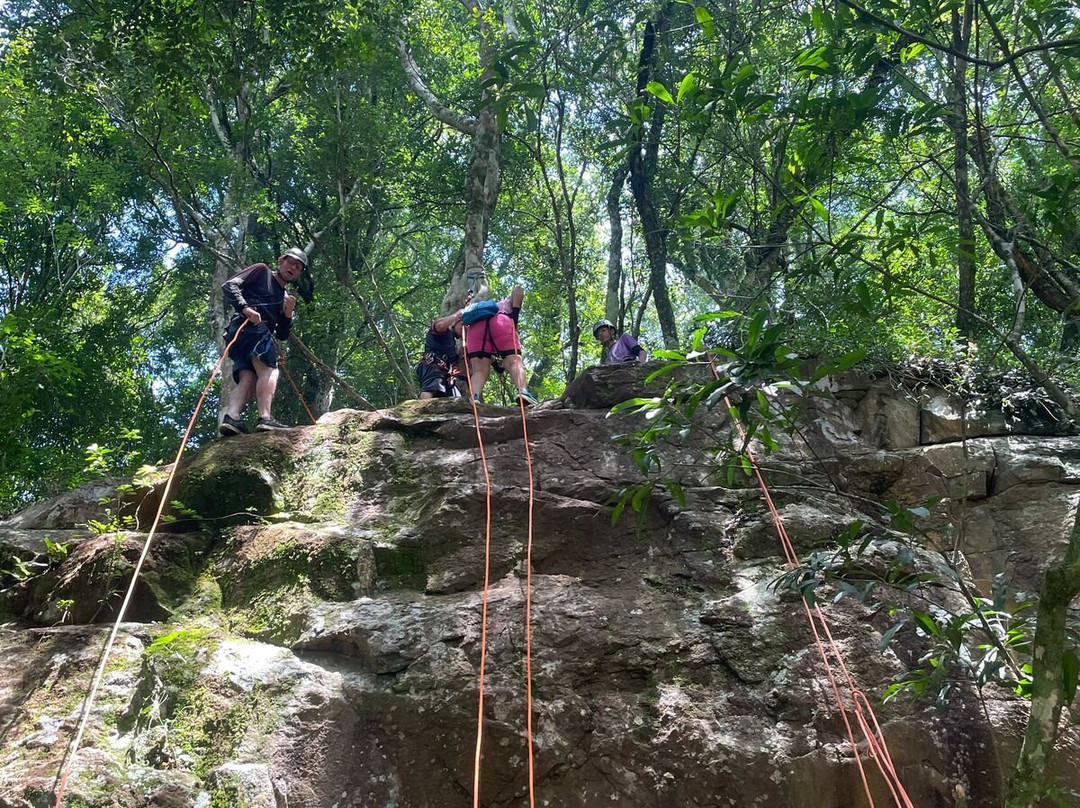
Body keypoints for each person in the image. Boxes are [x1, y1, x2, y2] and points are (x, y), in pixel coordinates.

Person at [219, 247, 307, 435]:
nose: (293, 268)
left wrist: (288, 313)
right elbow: (230, 285)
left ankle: (232, 417)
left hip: (245, 335)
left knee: (249, 378)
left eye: (298, 267)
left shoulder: (284, 297)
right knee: (269, 370)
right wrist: (246, 309)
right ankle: (265, 418)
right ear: (281, 260)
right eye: (291, 262)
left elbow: (282, 334)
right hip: (248, 327)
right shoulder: (262, 271)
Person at [464, 284, 538, 406]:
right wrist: (515, 313)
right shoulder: (504, 304)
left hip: (475, 329)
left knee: (479, 370)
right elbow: (518, 288)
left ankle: (474, 397)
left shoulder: (477, 314)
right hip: (501, 321)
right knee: (514, 362)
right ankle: (523, 391)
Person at [416, 308, 464, 399]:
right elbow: (439, 326)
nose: (464, 328)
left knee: (452, 395)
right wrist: (456, 315)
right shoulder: (444, 332)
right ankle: (424, 406)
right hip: (432, 366)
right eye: (463, 324)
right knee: (431, 387)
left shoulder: (453, 344)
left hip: (444, 373)